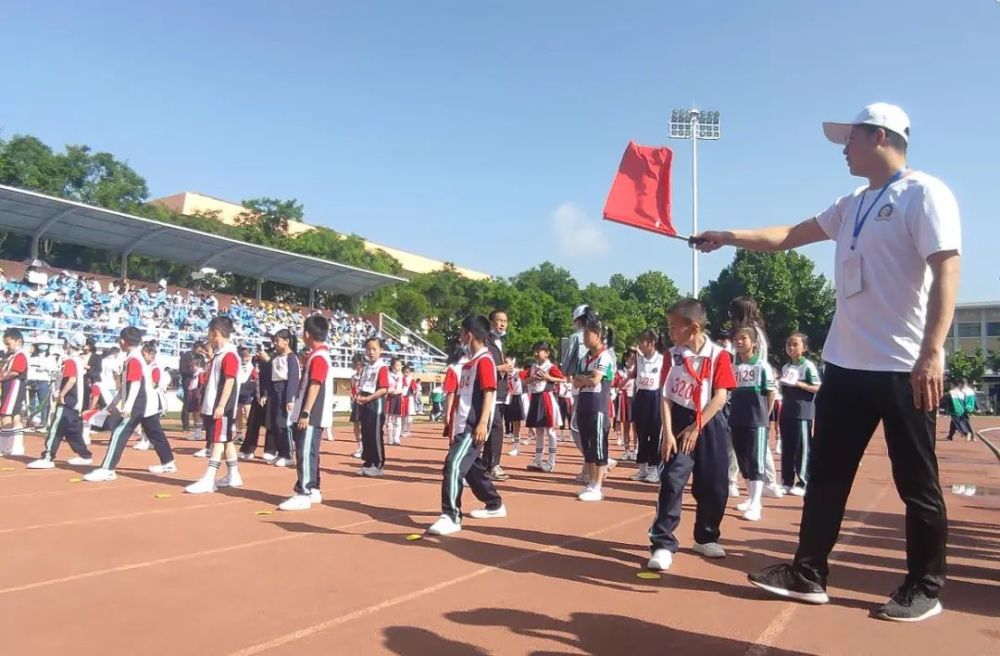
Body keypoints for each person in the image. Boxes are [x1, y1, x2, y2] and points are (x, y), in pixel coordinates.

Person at [697, 103, 959, 621]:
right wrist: (728, 236)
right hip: (845, 364)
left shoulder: (925, 193)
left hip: (902, 366)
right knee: (827, 478)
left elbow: (947, 267)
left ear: (879, 136)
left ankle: (924, 586)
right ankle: (808, 572)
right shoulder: (851, 204)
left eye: (850, 139)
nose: (843, 148)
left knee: (917, 483)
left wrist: (933, 351)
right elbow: (788, 237)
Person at [646, 298, 736, 572]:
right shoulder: (671, 356)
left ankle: (706, 535)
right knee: (673, 480)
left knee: (715, 485)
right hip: (680, 422)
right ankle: (662, 543)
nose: (670, 333)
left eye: (674, 328)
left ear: (693, 328)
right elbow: (665, 396)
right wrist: (668, 433)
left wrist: (698, 427)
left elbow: (721, 396)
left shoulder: (718, 355)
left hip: (709, 421)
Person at [427, 314, 507, 536]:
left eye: (461, 333)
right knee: (472, 470)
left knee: (453, 466)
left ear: (468, 335)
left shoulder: (484, 360)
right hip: (462, 424)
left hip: (473, 426)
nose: (459, 337)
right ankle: (495, 503)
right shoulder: (468, 363)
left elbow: (489, 392)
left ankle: (451, 515)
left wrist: (482, 423)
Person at [83, 327, 177, 482]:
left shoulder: (134, 358)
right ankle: (168, 462)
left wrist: (127, 406)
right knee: (155, 433)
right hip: (147, 402)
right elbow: (126, 385)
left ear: (122, 341)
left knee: (119, 433)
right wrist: (114, 403)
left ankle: (107, 469)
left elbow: (135, 383)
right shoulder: (133, 358)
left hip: (140, 403)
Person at [278, 316, 334, 511]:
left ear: (308, 334)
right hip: (312, 412)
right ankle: (314, 488)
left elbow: (315, 384)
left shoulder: (319, 357)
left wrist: (306, 412)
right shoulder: (317, 355)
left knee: (304, 452)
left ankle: (305, 491)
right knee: (309, 452)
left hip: (312, 413)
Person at [185, 316, 242, 494]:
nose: (208, 338)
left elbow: (230, 381)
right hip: (217, 405)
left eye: (209, 334)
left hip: (222, 407)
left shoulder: (229, 355)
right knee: (226, 441)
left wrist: (221, 405)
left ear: (215, 333)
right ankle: (234, 474)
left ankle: (209, 478)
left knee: (217, 441)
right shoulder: (220, 355)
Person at [728, 324, 777, 522]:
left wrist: (765, 414)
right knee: (743, 460)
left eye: (744, 339)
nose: (739, 342)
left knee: (756, 461)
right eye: (736, 339)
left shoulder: (762, 366)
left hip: (757, 421)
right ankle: (750, 498)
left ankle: (756, 503)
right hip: (737, 419)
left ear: (754, 343)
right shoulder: (735, 367)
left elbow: (771, 393)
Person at [27, 333, 94, 469]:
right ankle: (84, 455)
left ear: (70, 344)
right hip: (76, 403)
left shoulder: (70, 361)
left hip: (67, 402)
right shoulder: (79, 361)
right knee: (73, 431)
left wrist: (61, 395)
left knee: (55, 429)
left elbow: (71, 379)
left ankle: (47, 457)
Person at [572, 310, 616, 502]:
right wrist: (584, 379)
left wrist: (585, 379)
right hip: (583, 405)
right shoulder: (584, 359)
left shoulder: (604, 357)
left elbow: (596, 380)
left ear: (597, 335)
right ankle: (590, 483)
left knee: (599, 447)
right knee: (588, 447)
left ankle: (598, 486)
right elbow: (575, 381)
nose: (584, 337)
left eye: (586, 334)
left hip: (598, 407)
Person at [778, 333, 822, 495]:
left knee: (802, 448)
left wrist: (797, 384)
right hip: (787, 411)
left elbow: (817, 387)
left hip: (802, 412)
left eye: (795, 344)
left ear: (805, 348)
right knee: (787, 447)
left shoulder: (808, 366)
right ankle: (786, 481)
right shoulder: (786, 367)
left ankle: (804, 481)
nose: (791, 347)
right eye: (789, 344)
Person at [630, 329, 665, 484]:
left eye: (642, 342)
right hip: (642, 396)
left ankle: (654, 469)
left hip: (655, 397)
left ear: (651, 343)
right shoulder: (639, 359)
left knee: (654, 433)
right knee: (641, 433)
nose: (640, 345)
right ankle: (642, 468)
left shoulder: (662, 359)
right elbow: (636, 377)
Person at [524, 341, 564, 472]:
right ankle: (538, 459)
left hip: (546, 398)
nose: (536, 353)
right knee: (539, 431)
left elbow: (563, 379)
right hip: (535, 398)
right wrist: (533, 378)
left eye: (539, 350)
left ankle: (551, 461)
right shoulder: (533, 367)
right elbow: (524, 381)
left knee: (550, 430)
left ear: (547, 353)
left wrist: (548, 377)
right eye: (535, 350)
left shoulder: (550, 367)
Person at [483, 309, 513, 481]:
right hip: (489, 391)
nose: (502, 324)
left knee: (494, 427)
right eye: (499, 320)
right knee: (495, 428)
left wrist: (506, 368)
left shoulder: (498, 342)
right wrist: (499, 368)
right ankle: (493, 465)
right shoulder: (486, 342)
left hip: (499, 391)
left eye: (505, 321)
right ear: (491, 322)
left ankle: (487, 465)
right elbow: (482, 366)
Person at [355, 337, 389, 476]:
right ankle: (368, 462)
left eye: (374, 349)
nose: (371, 352)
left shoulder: (382, 367)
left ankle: (378, 464)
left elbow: (383, 389)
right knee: (366, 433)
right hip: (364, 401)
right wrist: (359, 396)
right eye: (368, 349)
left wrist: (368, 398)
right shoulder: (366, 367)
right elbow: (362, 384)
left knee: (375, 434)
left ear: (381, 350)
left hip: (375, 402)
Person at [266, 329, 299, 467]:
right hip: (275, 389)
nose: (274, 343)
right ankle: (280, 452)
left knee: (283, 424)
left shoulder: (291, 357)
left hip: (285, 390)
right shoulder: (275, 357)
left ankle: (288, 454)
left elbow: (293, 379)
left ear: (286, 342)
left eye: (277, 340)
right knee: (275, 423)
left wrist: (290, 399)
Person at [0, 328, 30, 456]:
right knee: (16, 416)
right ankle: (17, 447)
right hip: (14, 387)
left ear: (18, 341)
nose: (8, 347)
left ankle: (4, 446)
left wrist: (2, 377)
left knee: (6, 416)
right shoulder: (13, 355)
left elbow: (15, 371)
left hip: (14, 387)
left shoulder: (20, 355)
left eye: (9, 343)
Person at [504, 357, 526, 457]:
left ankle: (517, 447)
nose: (509, 367)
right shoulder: (505, 375)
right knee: (514, 424)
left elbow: (526, 374)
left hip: (520, 398)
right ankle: (516, 447)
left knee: (519, 425)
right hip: (511, 398)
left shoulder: (517, 373)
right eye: (506, 364)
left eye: (510, 365)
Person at [385, 358, 405, 446]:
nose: (400, 367)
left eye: (400, 365)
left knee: (398, 419)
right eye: (398, 365)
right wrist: (390, 390)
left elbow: (403, 387)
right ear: (393, 366)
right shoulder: (387, 374)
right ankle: (390, 439)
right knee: (389, 419)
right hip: (389, 397)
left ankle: (396, 439)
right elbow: (385, 385)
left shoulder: (401, 375)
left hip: (398, 397)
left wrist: (398, 391)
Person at [349, 354, 364, 457]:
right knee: (356, 426)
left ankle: (365, 448)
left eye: (358, 364)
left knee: (365, 426)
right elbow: (352, 389)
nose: (356, 366)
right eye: (355, 363)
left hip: (365, 402)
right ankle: (359, 447)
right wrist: (352, 395)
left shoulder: (367, 376)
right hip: (356, 403)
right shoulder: (353, 377)